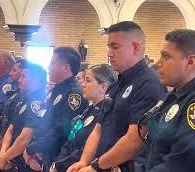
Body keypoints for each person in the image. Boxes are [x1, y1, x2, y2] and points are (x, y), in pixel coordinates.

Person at [67, 21, 165, 172]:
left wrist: (94, 167)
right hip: (102, 165)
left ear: (136, 47)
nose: (108, 53)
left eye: (115, 47)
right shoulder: (117, 84)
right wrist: (84, 161)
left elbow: (134, 141)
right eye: (108, 47)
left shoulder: (148, 83)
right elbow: (98, 130)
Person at [144, 29, 195, 171]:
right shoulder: (175, 96)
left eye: (166, 56)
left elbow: (182, 163)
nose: (159, 63)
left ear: (190, 62)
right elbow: (154, 147)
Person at [24, 46, 89, 171]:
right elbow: (45, 123)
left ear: (66, 68)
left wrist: (33, 148)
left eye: (52, 63)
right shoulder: (59, 90)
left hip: (60, 161)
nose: (48, 67)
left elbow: (62, 132)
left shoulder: (73, 94)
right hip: (46, 156)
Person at [50, 64, 117, 172]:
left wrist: (60, 166)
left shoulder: (105, 114)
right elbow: (70, 140)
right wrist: (57, 164)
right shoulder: (90, 109)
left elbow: (86, 148)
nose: (82, 84)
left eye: (88, 80)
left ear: (103, 87)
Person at [0, 62, 48, 171]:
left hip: (29, 163)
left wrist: (5, 157)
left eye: (23, 76)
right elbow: (11, 129)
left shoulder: (38, 102)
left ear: (36, 80)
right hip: (14, 158)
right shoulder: (24, 99)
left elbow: (25, 138)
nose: (19, 80)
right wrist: (4, 152)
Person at [0, 59, 27, 168]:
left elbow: (18, 131)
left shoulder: (25, 97)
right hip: (3, 147)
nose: (10, 73)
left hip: (13, 153)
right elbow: (4, 121)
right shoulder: (15, 94)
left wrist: (2, 152)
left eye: (14, 70)